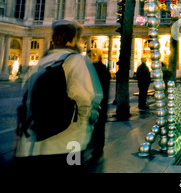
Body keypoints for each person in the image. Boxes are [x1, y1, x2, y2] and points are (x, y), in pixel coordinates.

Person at [14, 20, 102, 172]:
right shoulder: (75, 60)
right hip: (70, 138)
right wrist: (89, 121)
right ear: (72, 39)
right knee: (71, 168)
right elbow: (84, 98)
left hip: (39, 138)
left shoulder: (41, 63)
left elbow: (27, 98)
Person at [87, 48, 110, 161]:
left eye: (92, 55)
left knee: (96, 126)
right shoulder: (103, 68)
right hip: (101, 102)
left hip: (95, 102)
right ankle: (98, 147)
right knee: (99, 127)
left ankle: (96, 148)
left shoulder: (95, 69)